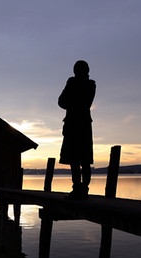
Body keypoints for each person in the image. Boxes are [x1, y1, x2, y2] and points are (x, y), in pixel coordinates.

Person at [58, 60, 96, 200]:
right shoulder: (89, 85)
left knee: (79, 160)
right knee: (80, 160)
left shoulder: (77, 83)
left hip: (76, 125)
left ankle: (80, 189)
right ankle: (81, 189)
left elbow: (64, 101)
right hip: (81, 124)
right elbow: (61, 102)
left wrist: (72, 102)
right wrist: (75, 103)